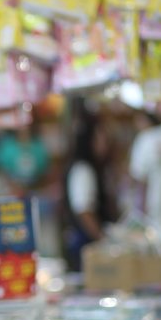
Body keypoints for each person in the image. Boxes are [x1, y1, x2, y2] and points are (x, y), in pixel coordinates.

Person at [63, 102, 117, 271]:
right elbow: (84, 211)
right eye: (101, 137)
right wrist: (104, 241)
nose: (105, 143)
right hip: (85, 246)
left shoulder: (89, 168)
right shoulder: (83, 170)